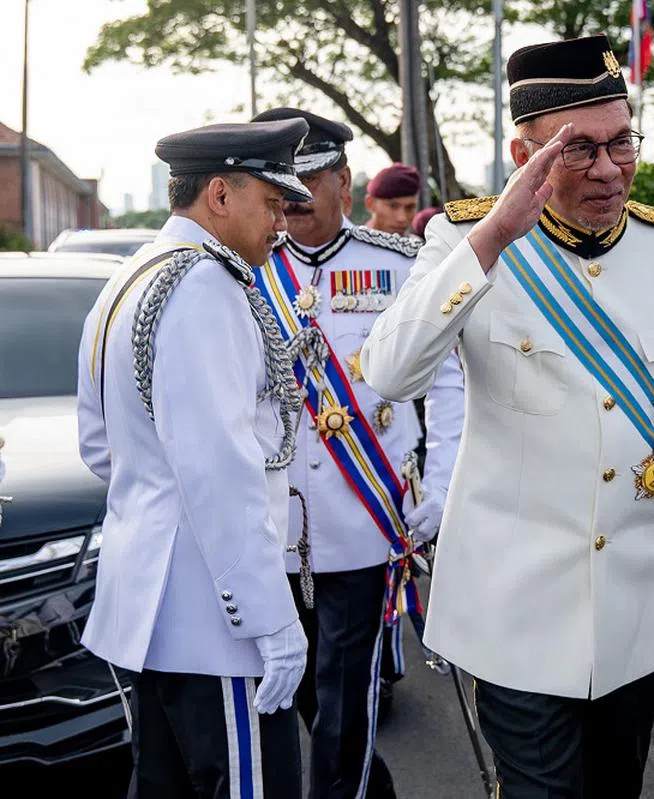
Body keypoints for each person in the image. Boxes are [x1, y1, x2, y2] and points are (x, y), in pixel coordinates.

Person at [360, 34, 654, 798]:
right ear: (526, 153)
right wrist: (494, 235)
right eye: (577, 149)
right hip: (515, 612)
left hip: (634, 614)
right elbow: (390, 373)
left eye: (620, 141)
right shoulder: (465, 239)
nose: (608, 167)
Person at [76, 119, 313, 797]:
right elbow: (223, 472)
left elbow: (100, 447)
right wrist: (272, 620)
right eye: (270, 203)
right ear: (218, 194)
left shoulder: (127, 278)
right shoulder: (205, 287)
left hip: (152, 616)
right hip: (218, 627)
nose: (280, 223)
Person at [250, 106, 464, 799]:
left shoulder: (399, 267)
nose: (297, 201)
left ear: (346, 182)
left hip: (365, 519)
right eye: (284, 186)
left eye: (311, 182)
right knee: (299, 689)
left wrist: (439, 487)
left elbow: (449, 384)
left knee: (345, 692)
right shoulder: (248, 272)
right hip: (272, 524)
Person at [366, 163, 422, 235]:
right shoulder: (352, 244)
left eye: (410, 207)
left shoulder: (419, 244)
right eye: (393, 206)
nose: (402, 218)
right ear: (370, 203)